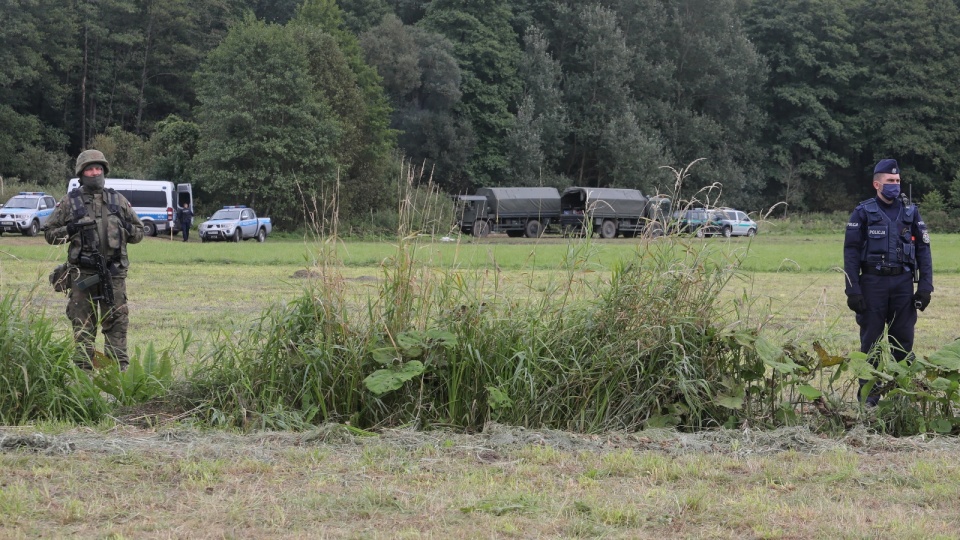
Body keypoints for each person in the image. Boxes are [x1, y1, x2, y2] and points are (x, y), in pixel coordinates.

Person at [44, 149, 144, 371]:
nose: (95, 172)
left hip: (114, 275)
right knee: (83, 329)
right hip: (83, 275)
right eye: (90, 169)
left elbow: (139, 233)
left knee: (117, 325)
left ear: (104, 171)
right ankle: (83, 381)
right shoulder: (70, 202)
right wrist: (70, 229)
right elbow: (50, 234)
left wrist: (124, 227)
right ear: (81, 173)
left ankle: (117, 379)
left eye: (98, 168)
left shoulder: (117, 200)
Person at [843, 158, 933, 404]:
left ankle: (901, 396)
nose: (895, 184)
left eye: (897, 180)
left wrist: (925, 287)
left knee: (903, 342)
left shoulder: (910, 212)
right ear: (877, 184)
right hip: (873, 284)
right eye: (890, 181)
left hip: (903, 284)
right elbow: (850, 252)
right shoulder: (863, 212)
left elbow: (924, 250)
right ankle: (868, 399)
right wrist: (853, 290)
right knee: (870, 342)